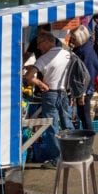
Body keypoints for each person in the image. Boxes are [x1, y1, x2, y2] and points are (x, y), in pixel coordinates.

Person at [23, 31, 74, 168]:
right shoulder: (68, 54)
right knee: (67, 123)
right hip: (64, 93)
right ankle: (73, 155)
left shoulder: (44, 58)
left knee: (52, 127)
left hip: (50, 94)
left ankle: (57, 160)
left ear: (47, 42)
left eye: (39, 44)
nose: (38, 48)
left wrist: (40, 83)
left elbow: (28, 77)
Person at [69, 25, 98, 131]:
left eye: (74, 38)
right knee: (83, 115)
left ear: (81, 38)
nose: (72, 41)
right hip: (84, 88)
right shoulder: (84, 48)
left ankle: (89, 138)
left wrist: (83, 93)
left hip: (85, 89)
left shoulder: (85, 52)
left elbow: (89, 74)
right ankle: (87, 136)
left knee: (84, 115)